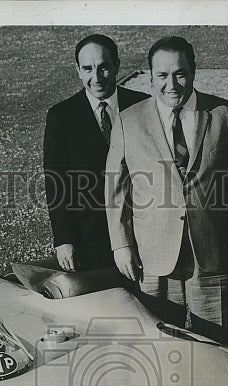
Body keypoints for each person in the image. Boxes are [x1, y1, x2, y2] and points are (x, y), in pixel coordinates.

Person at [106, 36, 228, 349]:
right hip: (153, 255)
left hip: (213, 250)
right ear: (151, 76)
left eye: (180, 73)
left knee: (220, 344)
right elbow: (116, 189)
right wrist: (122, 244)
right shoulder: (128, 121)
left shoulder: (224, 115)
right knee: (160, 344)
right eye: (162, 75)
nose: (171, 84)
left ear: (193, 71)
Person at [43, 34, 148, 272]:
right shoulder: (61, 116)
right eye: (88, 69)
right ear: (78, 70)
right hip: (88, 239)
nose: (96, 77)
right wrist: (64, 239)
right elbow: (55, 182)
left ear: (117, 66)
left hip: (141, 232)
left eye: (104, 67)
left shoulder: (143, 106)